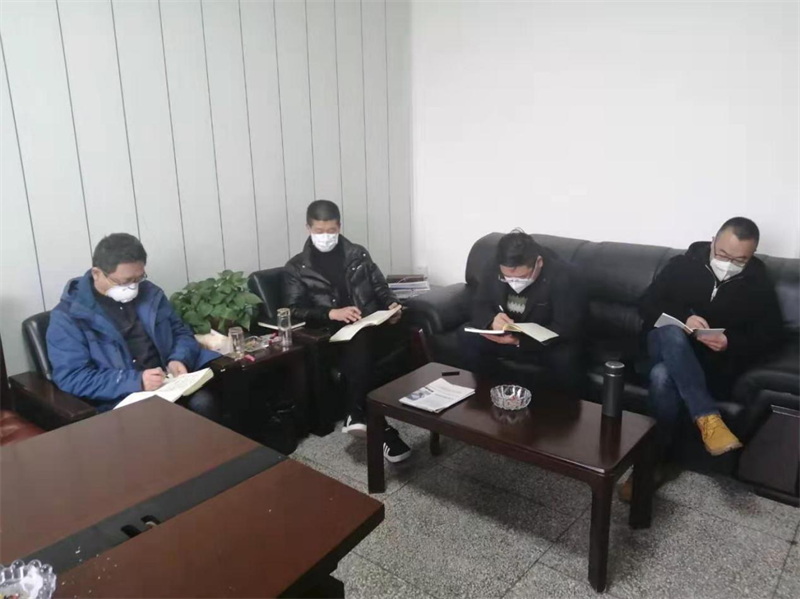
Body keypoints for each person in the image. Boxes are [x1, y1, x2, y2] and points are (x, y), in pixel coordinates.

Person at [621, 217, 783, 501]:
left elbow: (771, 336)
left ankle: (651, 462)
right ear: (713, 242)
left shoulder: (758, 284)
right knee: (672, 333)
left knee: (663, 376)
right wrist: (683, 319)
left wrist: (730, 342)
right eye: (723, 254)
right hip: (658, 346)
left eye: (740, 260)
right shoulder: (681, 265)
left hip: (708, 364)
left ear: (751, 255)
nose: (729, 264)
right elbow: (646, 303)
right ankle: (708, 418)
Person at [283, 200, 412, 463]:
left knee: (384, 330)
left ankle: (358, 414)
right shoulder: (297, 267)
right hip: (332, 334)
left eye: (331, 230)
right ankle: (376, 426)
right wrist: (331, 313)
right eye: (319, 231)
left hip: (371, 324)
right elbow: (292, 309)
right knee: (359, 341)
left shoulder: (357, 254)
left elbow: (380, 287)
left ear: (339, 226)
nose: (325, 236)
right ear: (308, 228)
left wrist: (392, 306)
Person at [46, 233, 222, 420]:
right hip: (121, 398)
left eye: (138, 278)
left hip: (168, 383)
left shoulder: (150, 294)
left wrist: (178, 359)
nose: (133, 287)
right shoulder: (69, 317)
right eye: (125, 281)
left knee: (213, 395)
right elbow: (73, 377)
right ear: (97, 274)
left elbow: (181, 332)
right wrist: (136, 382)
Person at [459, 229, 587, 394]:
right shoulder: (495, 264)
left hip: (542, 344)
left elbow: (567, 328)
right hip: (504, 336)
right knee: (466, 336)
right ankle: (486, 395)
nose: (514, 283)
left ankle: (557, 407)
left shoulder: (564, 275)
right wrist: (491, 321)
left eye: (521, 277)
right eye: (507, 277)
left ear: (538, 262)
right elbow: (479, 303)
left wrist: (519, 341)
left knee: (566, 357)